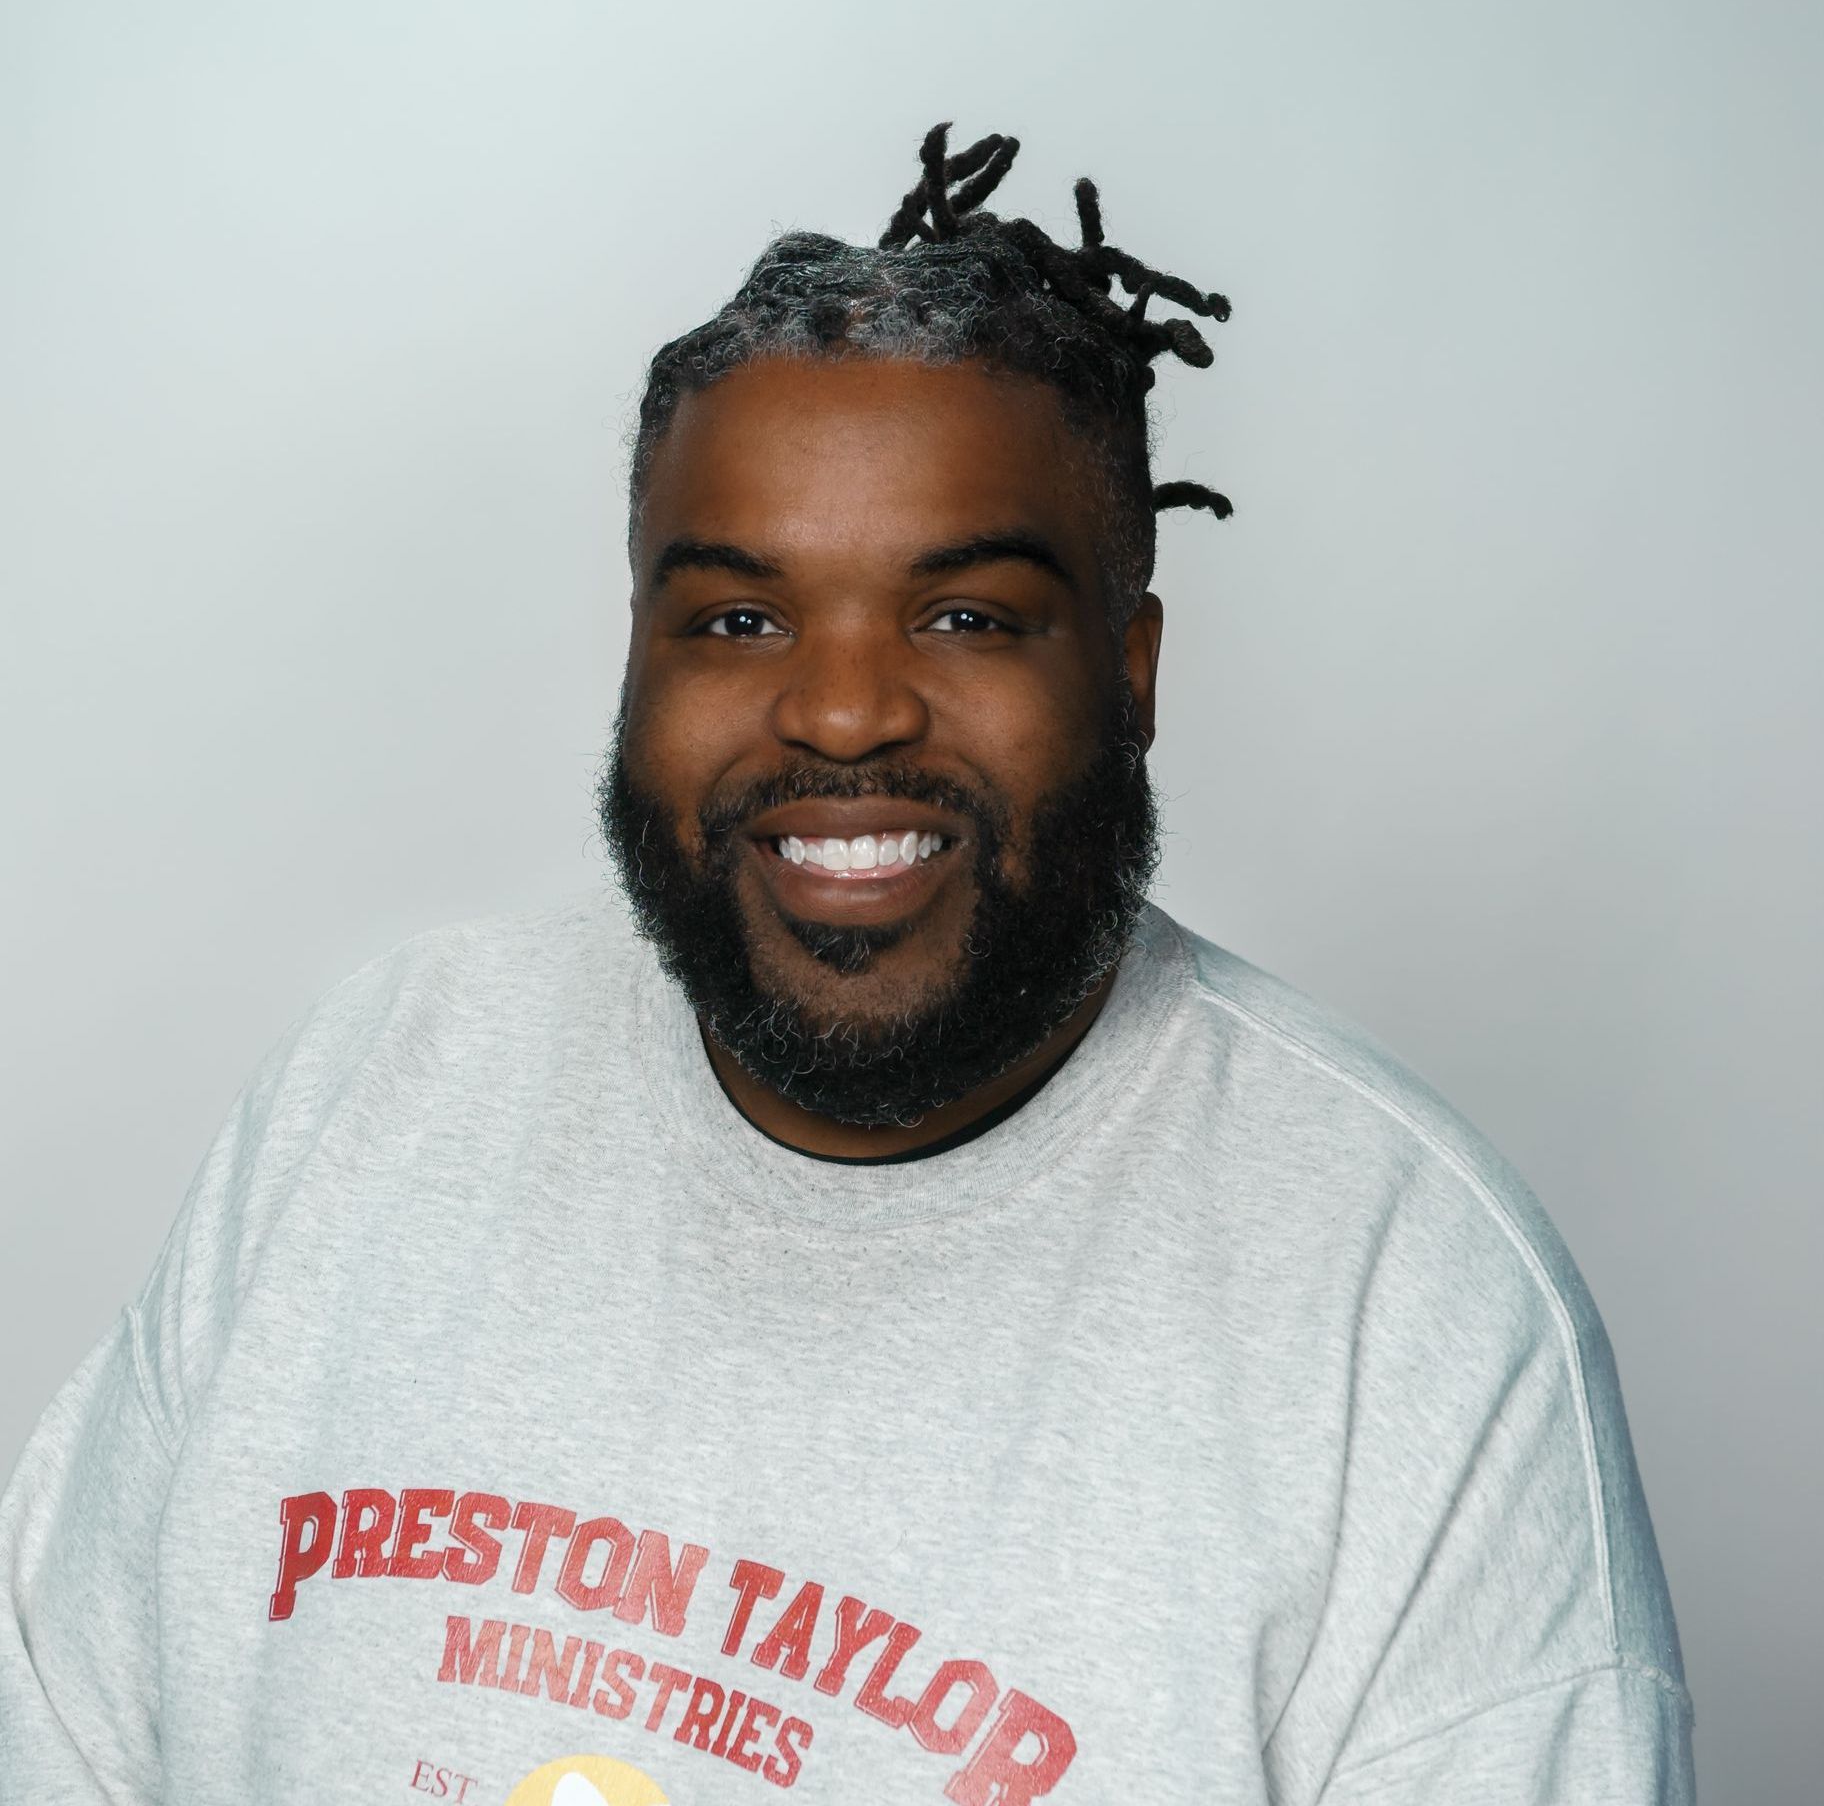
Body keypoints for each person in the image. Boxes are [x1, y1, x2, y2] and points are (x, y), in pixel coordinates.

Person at [0, 125, 1694, 1806]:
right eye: (739, 620)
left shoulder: (1407, 1307)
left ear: (1130, 672)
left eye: (965, 617)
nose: (841, 711)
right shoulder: (379, 1085)